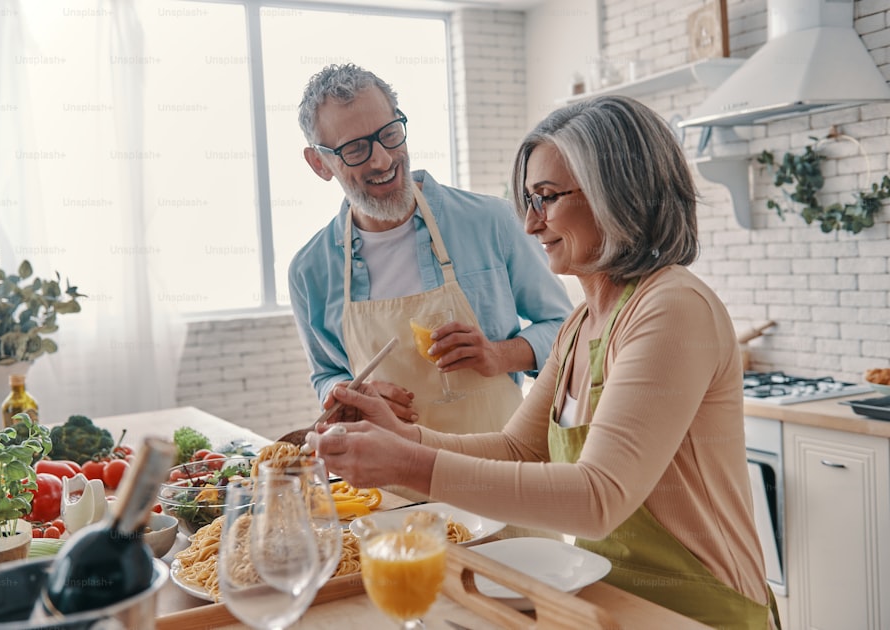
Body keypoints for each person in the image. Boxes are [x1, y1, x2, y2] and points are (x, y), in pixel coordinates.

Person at [309, 95, 779, 629]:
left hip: (696, 610)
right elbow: (518, 450)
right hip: (606, 600)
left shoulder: (670, 307)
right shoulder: (581, 325)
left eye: (548, 198)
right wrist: (402, 438)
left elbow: (597, 497)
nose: (532, 225)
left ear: (618, 194)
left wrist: (404, 464)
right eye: (529, 200)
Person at [289, 64, 572, 435]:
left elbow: (567, 333)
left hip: (498, 473)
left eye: (389, 134)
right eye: (355, 149)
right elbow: (327, 374)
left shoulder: (492, 221)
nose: (383, 159)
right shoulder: (309, 271)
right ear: (319, 163)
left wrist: (499, 354)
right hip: (387, 484)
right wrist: (346, 394)